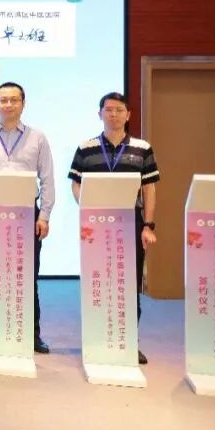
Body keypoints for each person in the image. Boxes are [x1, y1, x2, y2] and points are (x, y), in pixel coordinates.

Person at [68, 92, 159, 365]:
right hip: (95, 227)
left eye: (119, 110)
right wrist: (88, 210)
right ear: (100, 114)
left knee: (128, 283)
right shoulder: (85, 148)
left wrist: (148, 225)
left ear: (128, 115)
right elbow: (76, 183)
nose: (114, 114)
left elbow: (149, 188)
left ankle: (128, 342)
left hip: (130, 223)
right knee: (97, 282)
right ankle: (96, 342)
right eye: (108, 110)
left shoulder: (142, 148)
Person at [0, 81, 55, 353]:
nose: (8, 104)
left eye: (14, 100)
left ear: (23, 104)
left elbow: (47, 178)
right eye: (3, 100)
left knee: (27, 274)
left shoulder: (37, 138)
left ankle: (31, 334)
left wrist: (45, 215)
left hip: (27, 213)